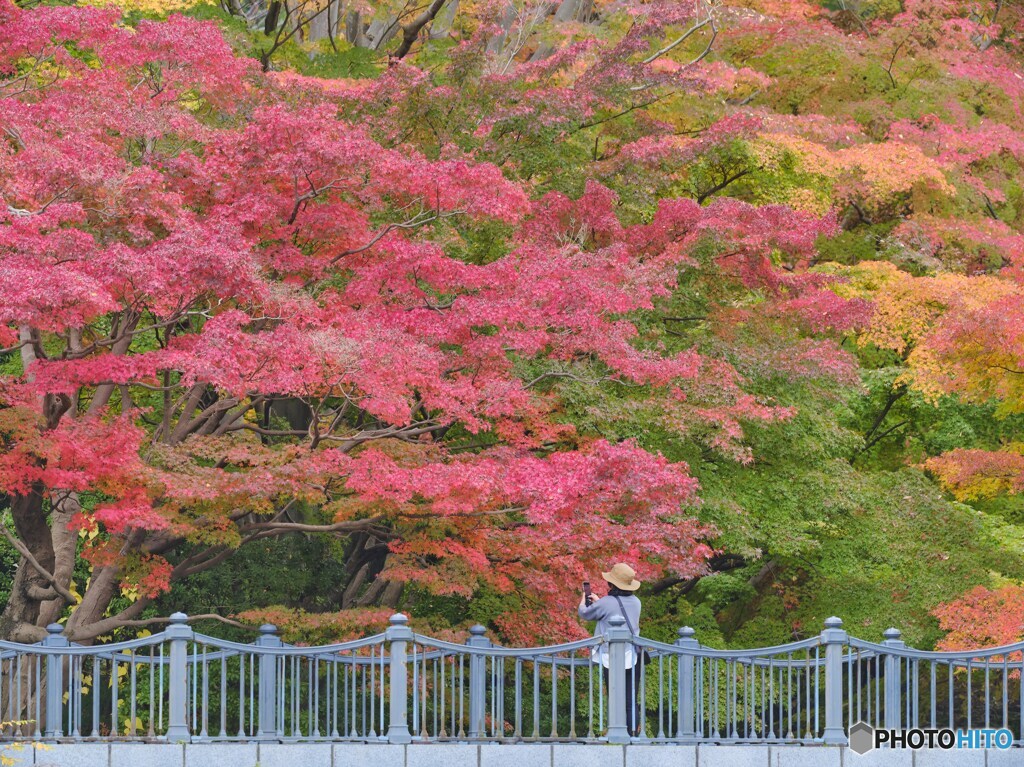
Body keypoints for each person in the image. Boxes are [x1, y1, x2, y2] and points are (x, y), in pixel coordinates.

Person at [578, 562, 643, 736]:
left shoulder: (607, 602)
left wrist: (584, 600)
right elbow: (618, 611)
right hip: (632, 655)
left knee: (615, 695)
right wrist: (602, 602)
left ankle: (616, 732)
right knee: (631, 698)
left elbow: (585, 613)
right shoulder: (637, 602)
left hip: (611, 656)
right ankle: (632, 735)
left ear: (611, 584)